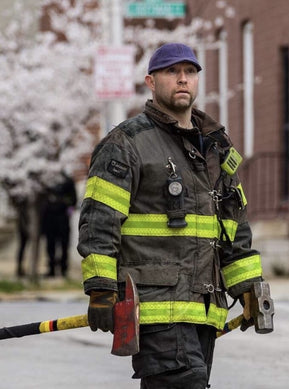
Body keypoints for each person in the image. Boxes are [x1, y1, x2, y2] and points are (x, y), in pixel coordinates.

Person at [77, 43, 264, 388]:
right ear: (151, 81)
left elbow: (234, 226)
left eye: (190, 72)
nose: (182, 79)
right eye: (171, 72)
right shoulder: (126, 144)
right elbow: (99, 221)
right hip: (154, 307)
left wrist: (250, 288)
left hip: (205, 310)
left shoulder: (216, 148)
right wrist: (101, 289)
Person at [43, 172, 77, 277]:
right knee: (50, 245)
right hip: (49, 218)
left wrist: (67, 208)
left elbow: (73, 200)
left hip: (63, 218)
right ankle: (51, 269)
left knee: (64, 244)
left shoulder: (67, 181)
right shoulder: (45, 179)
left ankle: (63, 269)